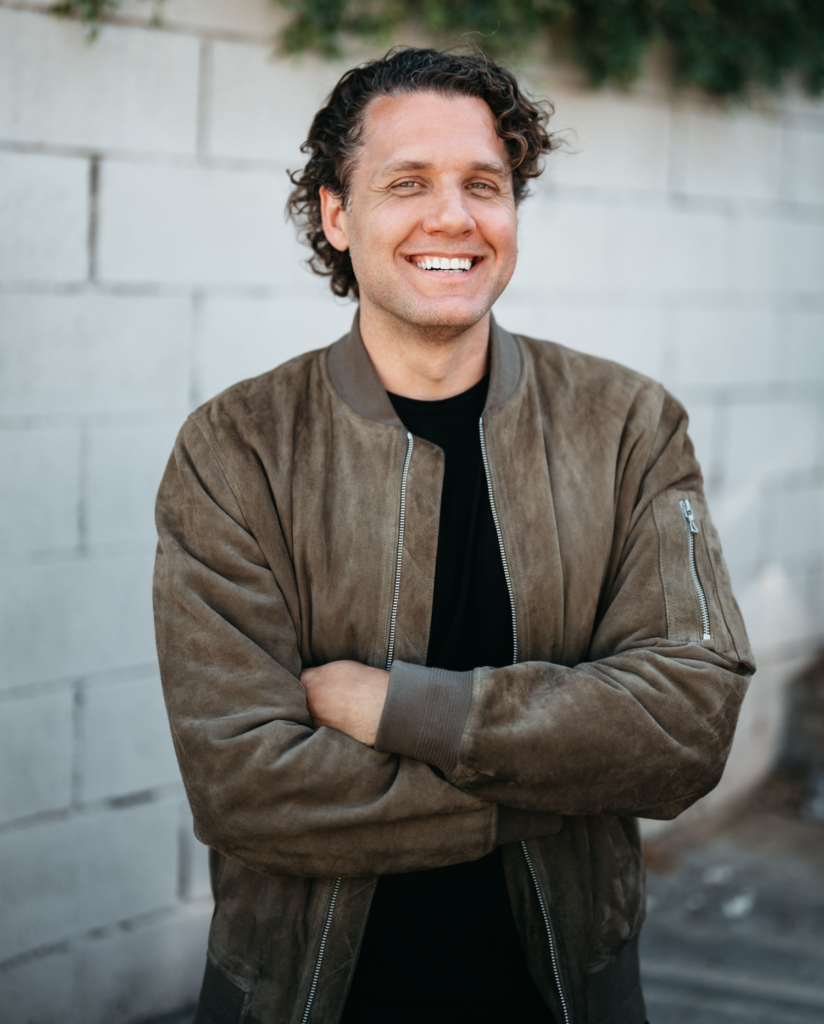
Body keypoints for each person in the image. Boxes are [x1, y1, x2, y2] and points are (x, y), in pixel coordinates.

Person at [153, 47, 754, 1024]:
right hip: (305, 999)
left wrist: (406, 709)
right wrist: (553, 786)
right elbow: (245, 787)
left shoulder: (627, 425)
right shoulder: (239, 447)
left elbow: (687, 724)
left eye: (484, 184)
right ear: (336, 215)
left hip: (566, 997)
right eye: (407, 183)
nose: (452, 217)